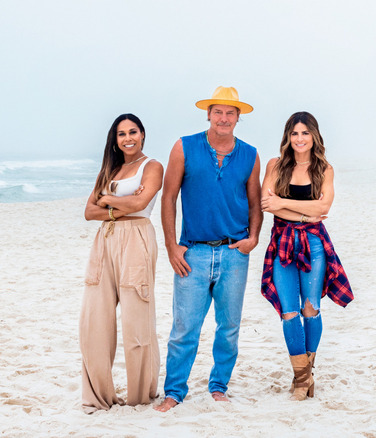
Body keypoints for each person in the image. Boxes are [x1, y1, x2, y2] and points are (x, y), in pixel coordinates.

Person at [154, 86, 262, 412]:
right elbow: (168, 197)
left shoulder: (250, 154)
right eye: (218, 112)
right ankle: (174, 392)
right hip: (194, 253)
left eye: (230, 113)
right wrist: (172, 246)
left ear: (238, 117)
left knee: (228, 328)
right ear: (209, 114)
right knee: (184, 328)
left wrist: (253, 238)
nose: (224, 118)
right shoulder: (184, 147)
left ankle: (219, 387)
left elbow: (256, 204)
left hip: (234, 253)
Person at [260, 112, 354, 401]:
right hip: (283, 243)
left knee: (310, 309)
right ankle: (303, 378)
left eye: (305, 133)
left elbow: (325, 207)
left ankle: (303, 378)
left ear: (314, 136)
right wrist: (305, 212)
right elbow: (267, 204)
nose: (299, 139)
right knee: (288, 312)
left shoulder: (324, 169)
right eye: (294, 133)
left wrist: (285, 204)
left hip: (313, 244)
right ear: (288, 137)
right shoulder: (275, 165)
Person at [81, 113, 164, 413]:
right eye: (121, 134)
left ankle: (140, 396)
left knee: (136, 320)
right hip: (105, 240)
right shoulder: (110, 168)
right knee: (94, 320)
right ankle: (98, 396)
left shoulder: (152, 166)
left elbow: (141, 205)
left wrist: (106, 199)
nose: (127, 138)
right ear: (114, 139)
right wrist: (118, 207)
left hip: (137, 239)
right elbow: (89, 212)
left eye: (133, 132)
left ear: (142, 134)